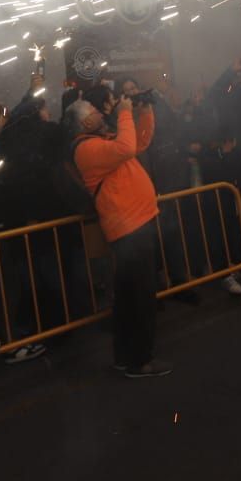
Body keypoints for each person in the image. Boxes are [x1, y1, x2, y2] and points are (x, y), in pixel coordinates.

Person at [67, 91, 169, 378]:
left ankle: (125, 357)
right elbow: (127, 147)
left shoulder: (102, 141)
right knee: (141, 298)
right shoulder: (85, 149)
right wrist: (125, 112)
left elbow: (139, 142)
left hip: (135, 224)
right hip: (129, 228)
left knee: (128, 299)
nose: (101, 113)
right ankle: (141, 360)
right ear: (84, 122)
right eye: (94, 111)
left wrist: (144, 112)